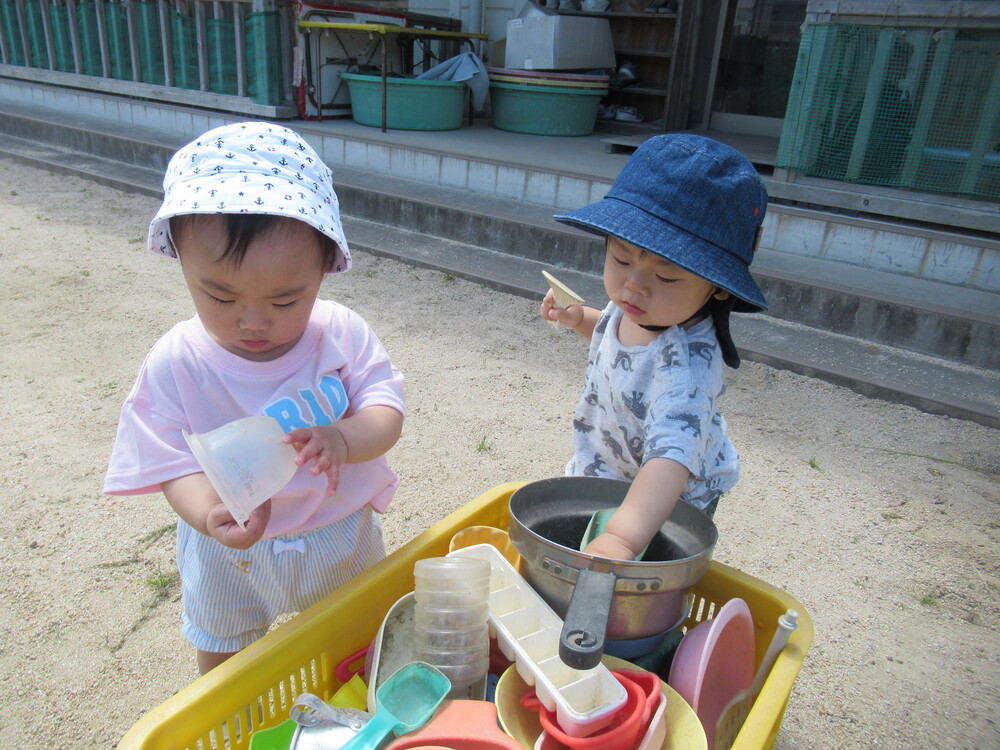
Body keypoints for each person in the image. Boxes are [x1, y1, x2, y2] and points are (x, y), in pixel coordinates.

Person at [104, 122, 406, 674]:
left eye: (287, 300)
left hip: (336, 528)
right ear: (182, 264)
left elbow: (386, 411)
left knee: (356, 640)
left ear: (325, 267)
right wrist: (207, 511)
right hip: (228, 548)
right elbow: (170, 459)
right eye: (219, 295)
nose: (252, 321)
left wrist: (343, 438)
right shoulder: (178, 361)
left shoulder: (340, 333)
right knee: (224, 653)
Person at [541, 134, 767, 562]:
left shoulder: (686, 372)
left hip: (669, 499)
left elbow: (669, 465)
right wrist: (580, 318)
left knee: (642, 587)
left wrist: (624, 539)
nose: (634, 284)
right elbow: (619, 344)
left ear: (719, 288)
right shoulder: (636, 307)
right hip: (612, 468)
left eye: (666, 276)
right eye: (622, 259)